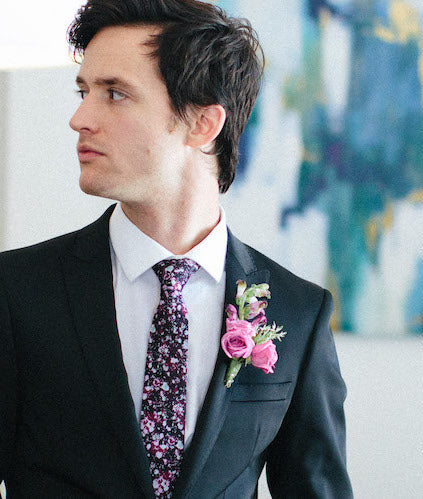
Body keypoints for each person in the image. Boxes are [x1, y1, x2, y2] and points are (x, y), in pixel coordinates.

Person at [0, 0, 353, 497]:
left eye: (115, 94)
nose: (80, 118)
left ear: (202, 123)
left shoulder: (299, 312)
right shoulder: (17, 292)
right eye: (83, 91)